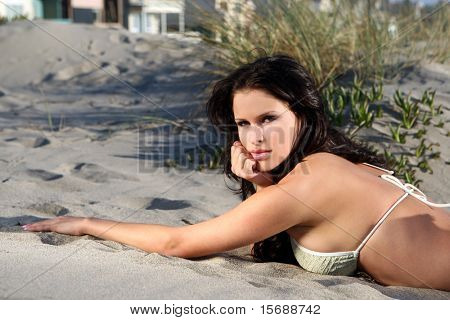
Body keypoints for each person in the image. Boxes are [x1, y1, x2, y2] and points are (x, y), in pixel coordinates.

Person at [22, 55, 450, 291]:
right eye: (243, 124)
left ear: (302, 113)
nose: (255, 137)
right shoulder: (329, 165)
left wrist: (88, 224)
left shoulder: (312, 178)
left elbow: (178, 242)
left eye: (268, 117)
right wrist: (261, 184)